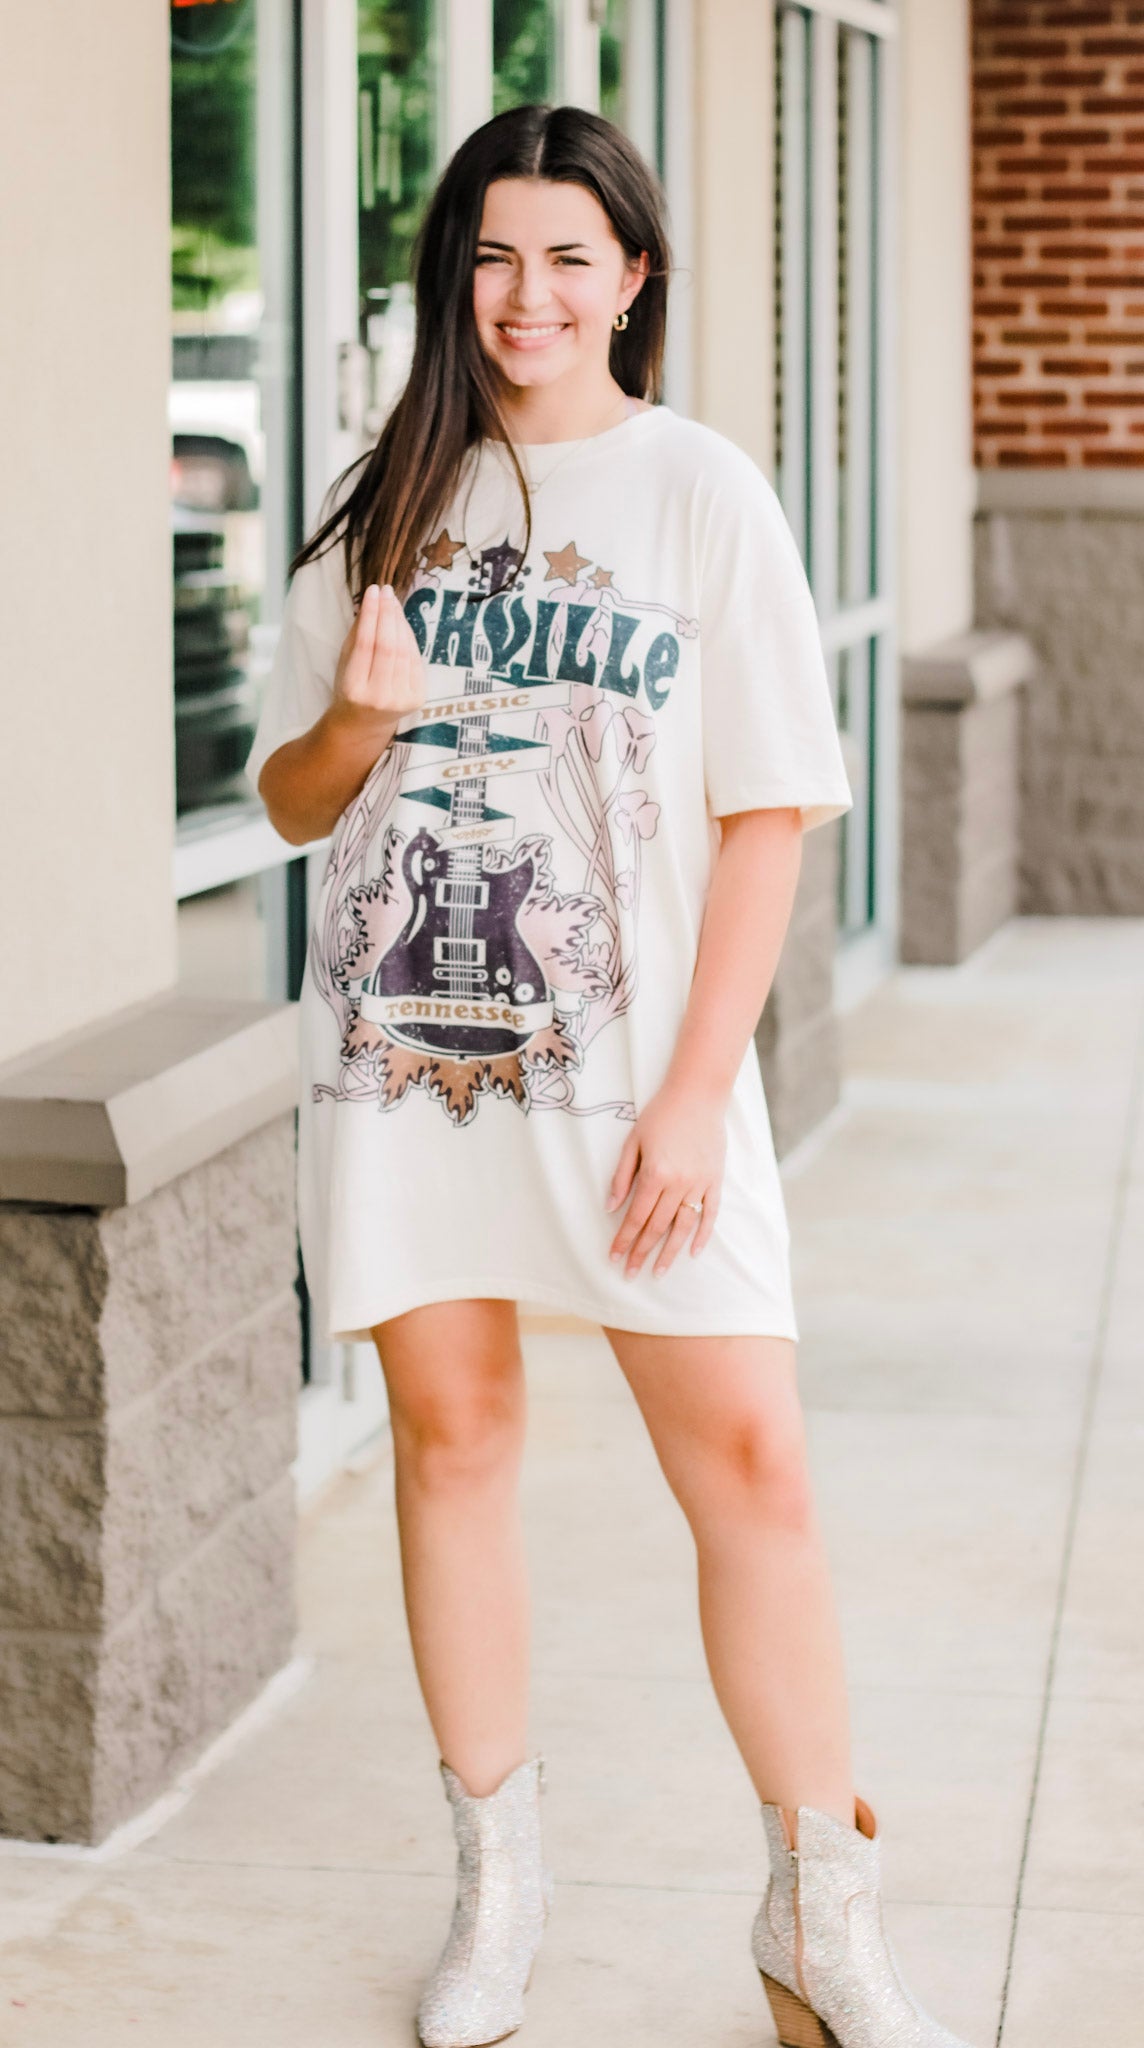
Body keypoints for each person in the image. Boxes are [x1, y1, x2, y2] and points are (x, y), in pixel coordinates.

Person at [247, 102, 975, 2048]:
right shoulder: (383, 498)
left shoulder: (699, 491)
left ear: (632, 278)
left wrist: (694, 1093)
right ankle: (497, 1892)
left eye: (568, 256)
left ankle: (819, 1924)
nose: (527, 295)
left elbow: (767, 813)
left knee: (749, 1464)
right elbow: (293, 800)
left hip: (643, 1080)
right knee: (453, 1443)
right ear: (453, 277)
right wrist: (354, 720)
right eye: (493, 254)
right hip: (407, 1064)